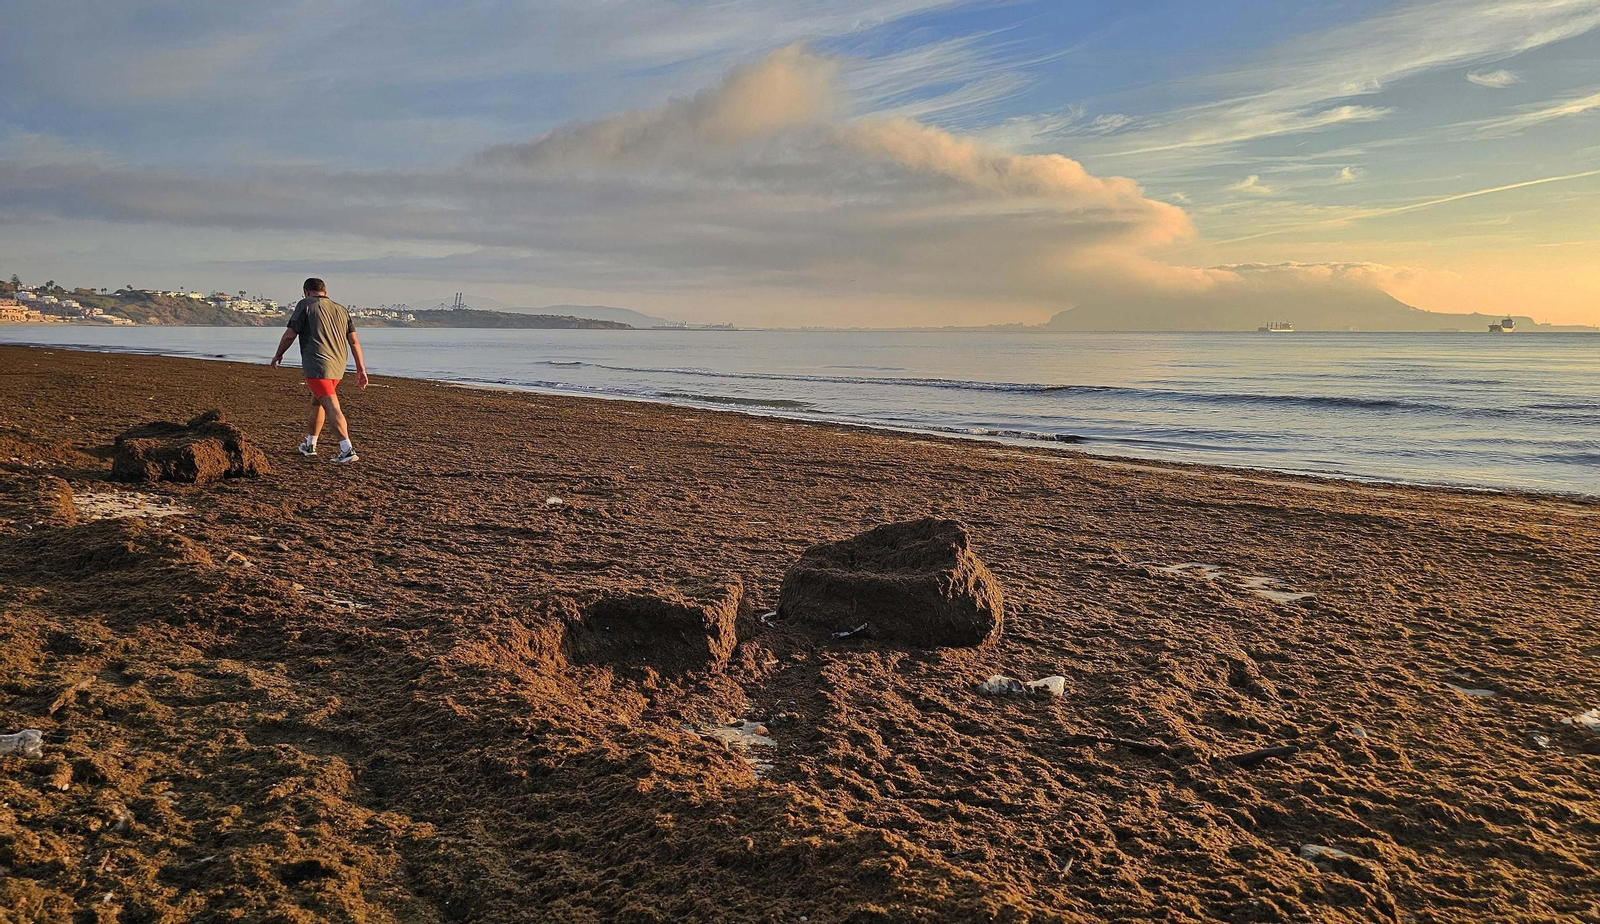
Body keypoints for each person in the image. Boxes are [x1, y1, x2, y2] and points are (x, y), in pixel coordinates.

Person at [271, 277, 367, 463]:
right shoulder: (341, 309)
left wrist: (278, 354)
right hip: (338, 367)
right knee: (318, 402)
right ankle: (310, 444)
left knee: (331, 405)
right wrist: (360, 369)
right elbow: (353, 341)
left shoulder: (305, 304)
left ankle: (347, 449)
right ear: (325, 292)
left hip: (317, 365)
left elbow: (290, 334)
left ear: (307, 292)